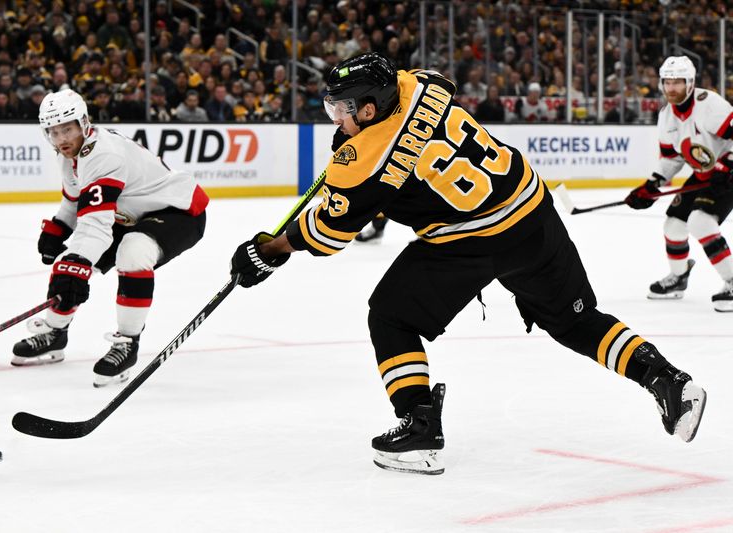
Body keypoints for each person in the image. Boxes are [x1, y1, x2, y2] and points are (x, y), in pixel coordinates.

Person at [229, 52, 707, 475]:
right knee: (575, 321)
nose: (336, 117)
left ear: (370, 109)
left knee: (392, 315)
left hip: (471, 239)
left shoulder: (361, 161)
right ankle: (668, 381)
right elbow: (422, 114)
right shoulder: (420, 84)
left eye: (343, 109)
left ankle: (419, 427)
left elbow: (329, 235)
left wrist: (271, 250)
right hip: (531, 212)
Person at [12, 89, 209, 387]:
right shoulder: (69, 156)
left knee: (132, 251)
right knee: (68, 261)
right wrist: (58, 228)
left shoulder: (104, 154)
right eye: (53, 132)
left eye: (67, 128)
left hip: (178, 211)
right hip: (131, 214)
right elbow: (74, 202)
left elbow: (96, 226)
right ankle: (55, 332)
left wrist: (79, 262)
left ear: (84, 123)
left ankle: (127, 343)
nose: (61, 138)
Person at [625, 56, 733, 312]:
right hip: (706, 173)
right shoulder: (666, 116)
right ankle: (679, 278)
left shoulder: (709, 105)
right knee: (673, 226)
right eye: (667, 82)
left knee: (700, 221)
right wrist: (653, 184)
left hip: (728, 171)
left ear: (691, 82)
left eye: (678, 82)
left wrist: (728, 166)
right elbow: (671, 159)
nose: (671, 88)